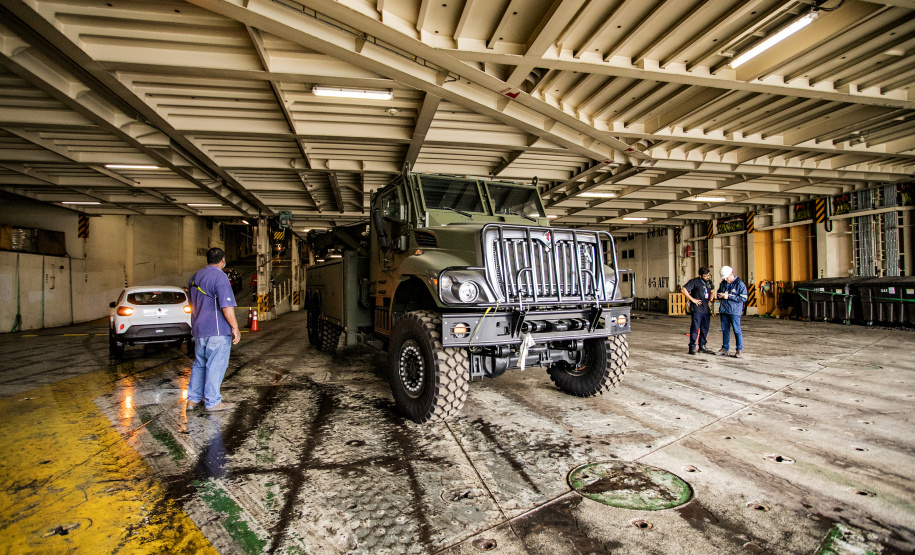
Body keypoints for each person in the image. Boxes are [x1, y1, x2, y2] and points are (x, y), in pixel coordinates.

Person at [187, 247, 241, 411]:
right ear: (223, 260)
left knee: (200, 364)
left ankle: (193, 399)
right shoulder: (220, 277)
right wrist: (235, 327)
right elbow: (226, 306)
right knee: (216, 364)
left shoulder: (195, 277)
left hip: (199, 329)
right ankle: (213, 401)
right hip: (217, 330)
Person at [681, 266, 715, 355]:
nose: (707, 277)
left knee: (705, 328)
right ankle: (692, 347)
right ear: (700, 276)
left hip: (706, 310)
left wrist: (711, 300)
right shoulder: (694, 282)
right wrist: (693, 300)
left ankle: (702, 346)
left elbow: (712, 291)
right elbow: (683, 289)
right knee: (695, 328)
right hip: (697, 309)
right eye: (705, 276)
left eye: (708, 275)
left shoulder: (709, 282)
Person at [716, 265, 748, 358]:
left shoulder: (740, 284)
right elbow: (718, 293)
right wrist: (720, 295)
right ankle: (725, 348)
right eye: (724, 278)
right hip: (724, 310)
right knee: (725, 330)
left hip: (734, 312)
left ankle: (739, 350)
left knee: (737, 330)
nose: (725, 279)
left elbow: (744, 298)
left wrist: (728, 296)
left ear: (731, 274)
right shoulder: (723, 283)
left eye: (726, 277)